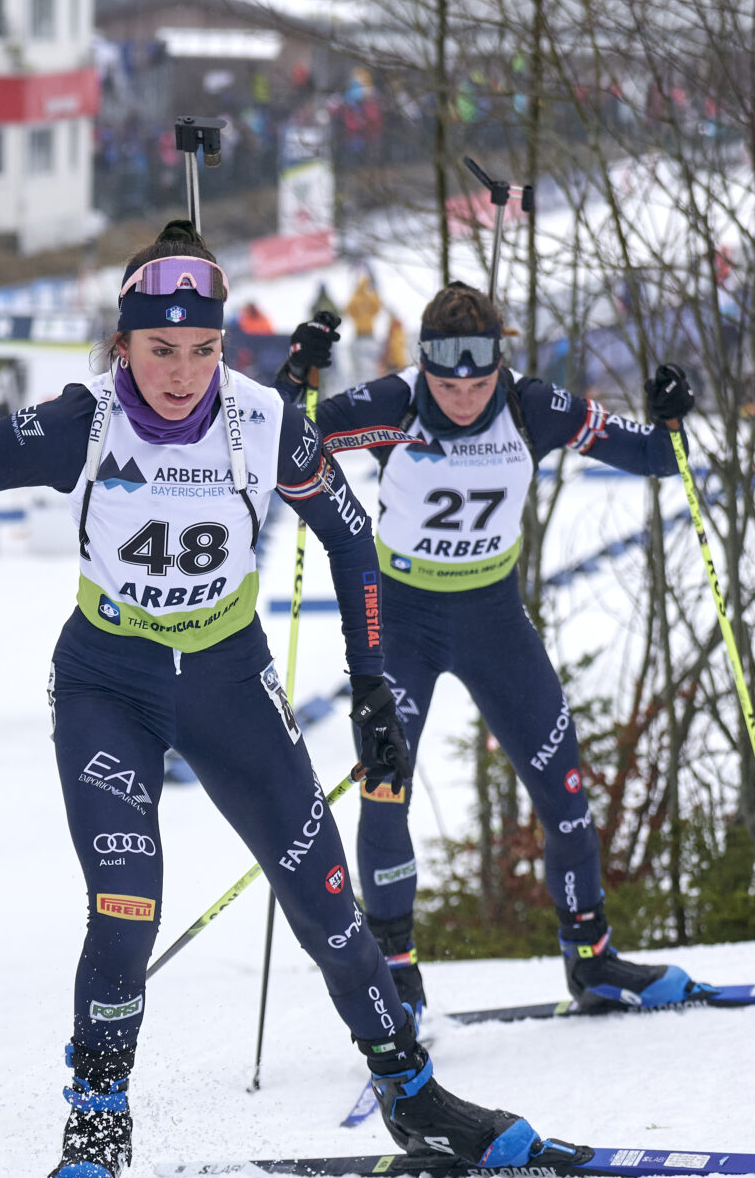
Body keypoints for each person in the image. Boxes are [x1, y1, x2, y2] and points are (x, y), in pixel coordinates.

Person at [0, 221, 579, 1178]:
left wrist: (368, 682)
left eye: (201, 350)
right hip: (108, 686)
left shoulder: (262, 423)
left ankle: (409, 1091)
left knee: (327, 903)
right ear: (122, 347)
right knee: (127, 900)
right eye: (160, 351)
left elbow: (352, 540)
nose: (182, 372)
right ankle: (99, 1112)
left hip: (228, 683)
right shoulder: (80, 424)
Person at [277, 283, 703, 1016]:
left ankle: (592, 958)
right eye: (448, 382)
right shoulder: (394, 402)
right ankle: (395, 976)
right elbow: (286, 440)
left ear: (498, 366)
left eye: (478, 382)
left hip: (495, 619)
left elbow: (655, 456)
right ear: (425, 369)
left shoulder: (532, 404)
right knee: (386, 790)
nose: (465, 396)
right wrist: (297, 374)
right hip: (403, 619)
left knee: (564, 788)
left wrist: (670, 416)